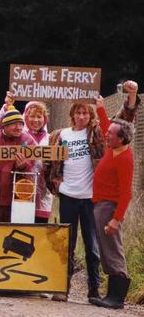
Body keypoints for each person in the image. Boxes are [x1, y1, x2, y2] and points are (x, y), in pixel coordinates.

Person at [46, 81, 139, 302]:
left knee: (92, 246)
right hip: (68, 196)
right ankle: (62, 288)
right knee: (66, 243)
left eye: (85, 113)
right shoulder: (60, 135)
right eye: (77, 112)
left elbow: (123, 121)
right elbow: (48, 163)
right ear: (72, 114)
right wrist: (56, 185)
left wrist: (131, 96)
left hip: (90, 199)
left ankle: (94, 289)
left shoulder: (99, 134)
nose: (81, 116)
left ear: (90, 116)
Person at [89, 97, 137, 309]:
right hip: (101, 204)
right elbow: (108, 125)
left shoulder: (125, 158)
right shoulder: (113, 145)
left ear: (122, 139)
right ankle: (111, 295)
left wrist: (116, 220)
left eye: (110, 135)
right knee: (106, 249)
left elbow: (126, 193)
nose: (106, 134)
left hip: (110, 207)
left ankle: (116, 298)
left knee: (112, 249)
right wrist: (100, 107)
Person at [0, 93, 52, 223]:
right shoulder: (18, 134)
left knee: (40, 225)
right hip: (20, 184)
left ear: (44, 119)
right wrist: (7, 106)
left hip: (43, 188)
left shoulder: (51, 138)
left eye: (39, 116)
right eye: (32, 116)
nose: (36, 120)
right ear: (25, 117)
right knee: (22, 221)